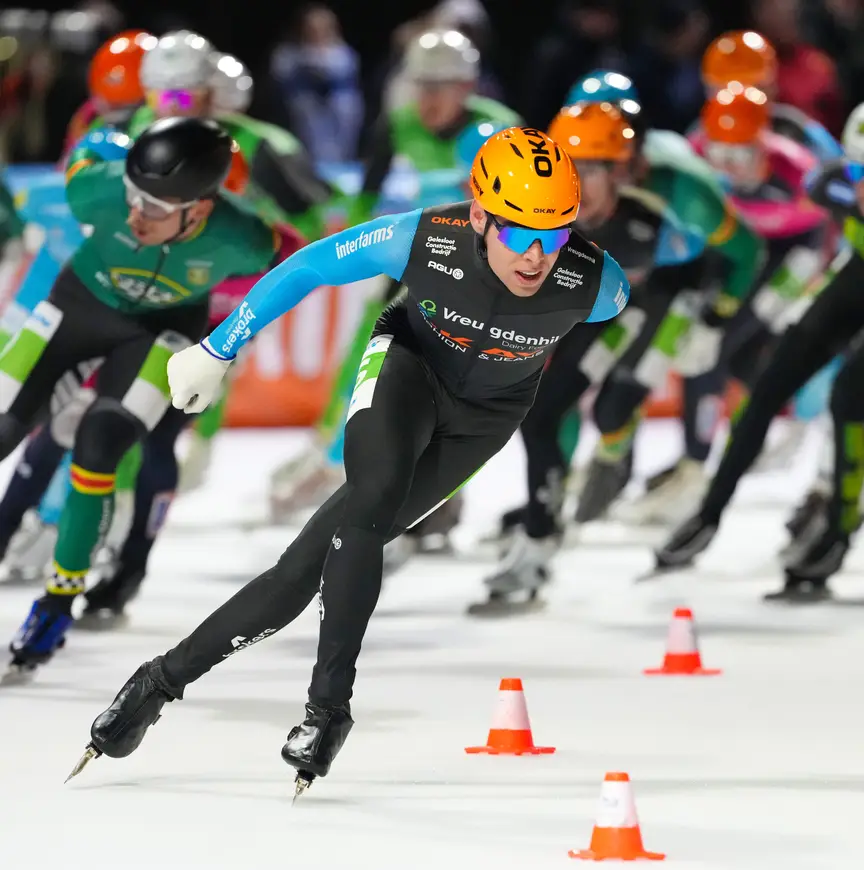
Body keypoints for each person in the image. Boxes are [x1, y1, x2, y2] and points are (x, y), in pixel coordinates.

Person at [69, 126, 629, 792]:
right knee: (370, 505)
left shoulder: (599, 286)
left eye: (554, 235)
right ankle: (328, 709)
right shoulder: (427, 238)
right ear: (479, 215)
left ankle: (156, 684)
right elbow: (308, 266)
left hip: (484, 420)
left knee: (304, 566)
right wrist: (219, 348)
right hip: (408, 368)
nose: (536, 257)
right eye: (517, 234)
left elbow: (619, 328)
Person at [1, 117, 282, 678]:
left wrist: (230, 339)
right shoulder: (97, 189)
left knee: (100, 443)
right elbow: (86, 152)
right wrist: (98, 144)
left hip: (159, 333)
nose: (135, 216)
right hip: (79, 307)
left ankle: (57, 604)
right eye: (133, 199)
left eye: (153, 208)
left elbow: (298, 260)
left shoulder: (242, 237)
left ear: (200, 209)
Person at [269, 27, 521, 552]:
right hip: (419, 259)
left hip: (483, 277)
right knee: (371, 347)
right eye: (420, 85)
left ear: (468, 85)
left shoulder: (501, 132)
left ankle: (444, 494)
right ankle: (334, 446)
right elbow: (367, 197)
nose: (427, 99)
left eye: (441, 86)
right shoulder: (399, 122)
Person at [491, 72, 763, 534]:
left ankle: (632, 451)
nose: (582, 183)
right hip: (622, 276)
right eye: (572, 166)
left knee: (615, 403)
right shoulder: (576, 185)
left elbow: (746, 252)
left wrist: (718, 313)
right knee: (556, 395)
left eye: (601, 165)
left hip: (672, 284)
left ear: (632, 159)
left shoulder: (681, 189)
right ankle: (578, 471)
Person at [476, 104, 706, 608]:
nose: (577, 183)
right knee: (534, 415)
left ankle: (542, 533)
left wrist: (700, 318)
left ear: (620, 172)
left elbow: (700, 265)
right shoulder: (543, 212)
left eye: (592, 170)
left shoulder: (648, 223)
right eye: (568, 168)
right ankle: (544, 522)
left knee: (551, 413)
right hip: (585, 312)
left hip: (630, 315)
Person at [653, 104, 864, 602]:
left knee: (850, 394)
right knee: (771, 381)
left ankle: (838, 530)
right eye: (859, 172)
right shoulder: (829, 183)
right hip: (856, 272)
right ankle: (708, 513)